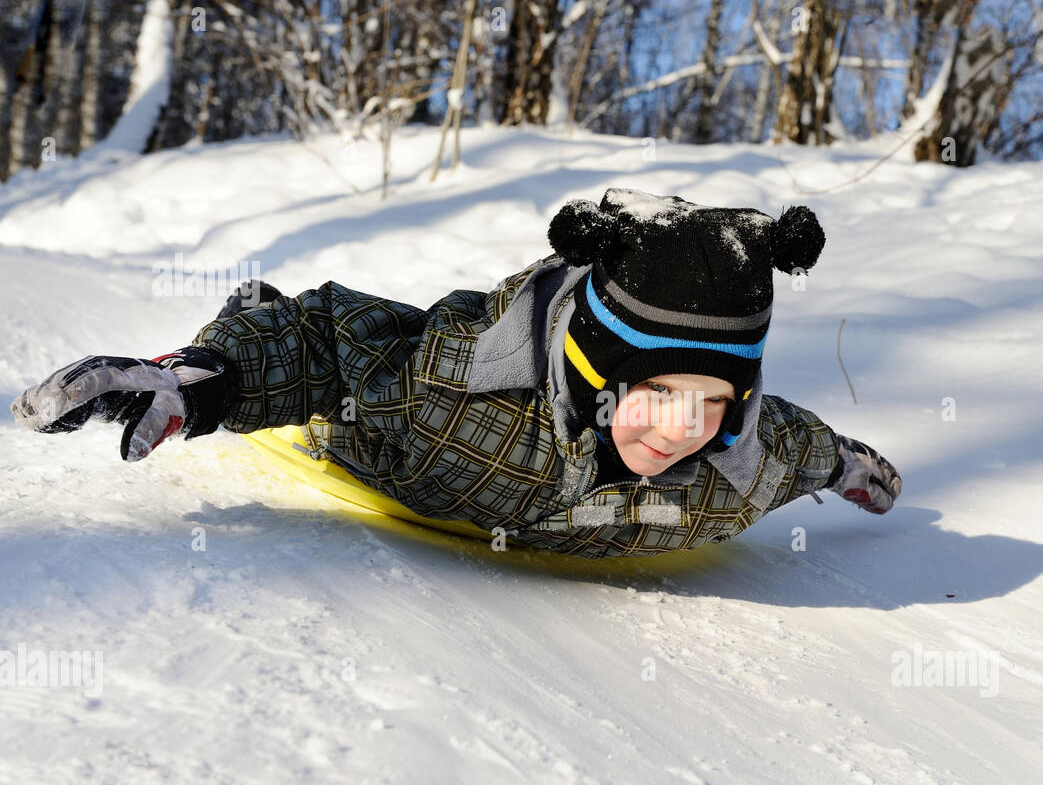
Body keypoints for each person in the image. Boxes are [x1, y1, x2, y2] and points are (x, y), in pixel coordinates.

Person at [11, 188, 901, 559]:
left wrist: (848, 463)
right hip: (361, 437)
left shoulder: (730, 473)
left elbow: (793, 439)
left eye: (712, 404)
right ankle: (241, 322)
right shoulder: (448, 381)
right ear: (595, 375)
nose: (681, 427)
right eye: (656, 392)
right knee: (284, 344)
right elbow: (329, 340)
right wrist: (202, 381)